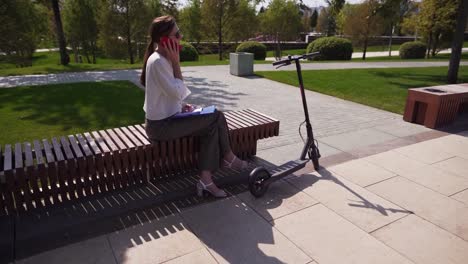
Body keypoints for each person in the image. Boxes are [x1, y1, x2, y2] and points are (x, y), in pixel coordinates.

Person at [141, 16, 248, 198]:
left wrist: (181, 106)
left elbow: (172, 95)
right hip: (160, 127)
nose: (180, 38)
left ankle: (207, 180)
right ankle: (228, 158)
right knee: (215, 116)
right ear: (163, 39)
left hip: (169, 119)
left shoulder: (162, 59)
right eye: (177, 34)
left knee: (213, 121)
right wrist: (176, 63)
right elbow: (177, 91)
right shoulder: (158, 61)